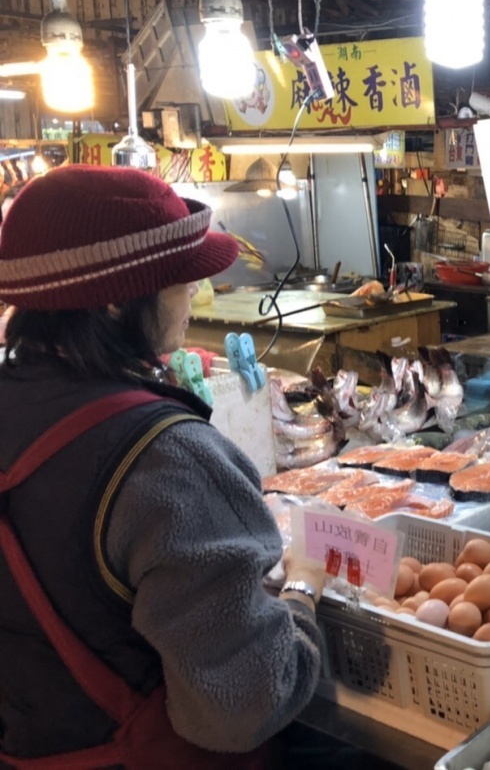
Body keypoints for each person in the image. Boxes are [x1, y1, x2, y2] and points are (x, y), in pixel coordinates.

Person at [0, 167, 325, 766]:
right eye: (181, 281)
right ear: (120, 300)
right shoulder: (163, 456)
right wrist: (303, 591)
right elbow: (246, 704)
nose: (195, 295)